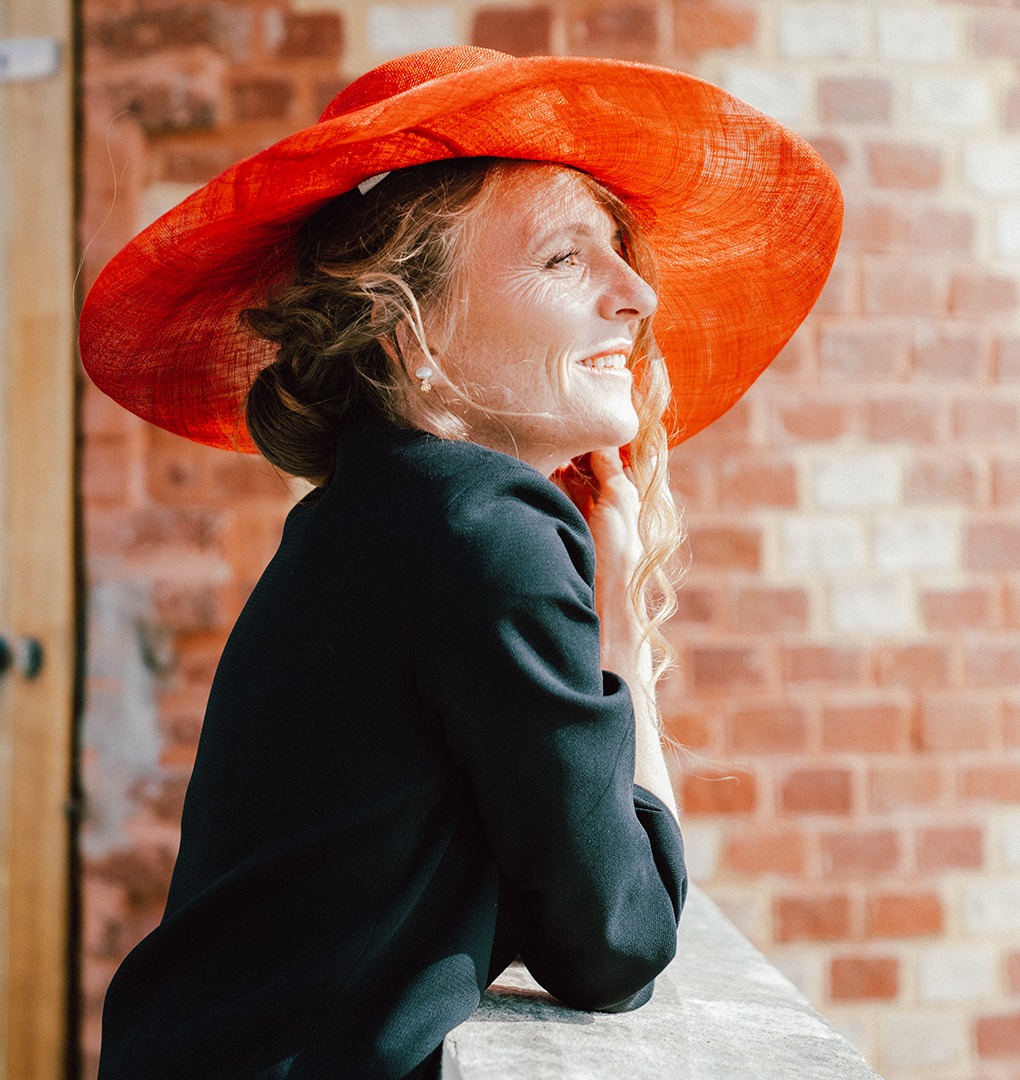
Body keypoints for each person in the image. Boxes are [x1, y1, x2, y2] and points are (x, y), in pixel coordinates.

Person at [79, 46, 842, 1080]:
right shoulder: (485, 528)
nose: (635, 294)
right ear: (409, 334)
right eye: (565, 258)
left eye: (620, 251)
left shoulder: (369, 517)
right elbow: (619, 941)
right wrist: (621, 636)